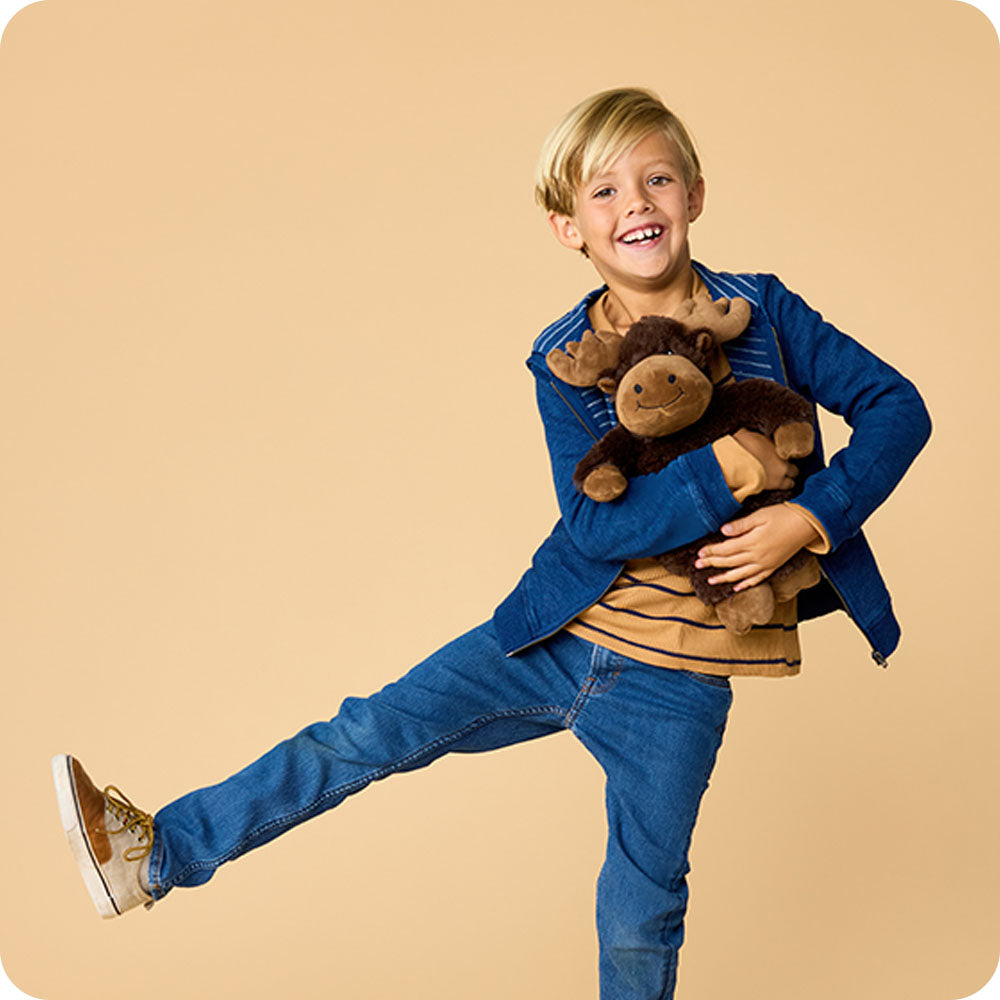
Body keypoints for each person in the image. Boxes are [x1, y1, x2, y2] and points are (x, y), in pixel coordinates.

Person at [52, 87, 930, 999]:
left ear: (695, 194)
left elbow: (898, 407)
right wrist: (732, 471)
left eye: (657, 179)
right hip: (559, 634)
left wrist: (811, 515)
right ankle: (153, 856)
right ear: (568, 229)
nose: (636, 203)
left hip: (682, 681)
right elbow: (599, 525)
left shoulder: (767, 313)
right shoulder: (565, 358)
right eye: (604, 191)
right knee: (364, 732)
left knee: (641, 909)